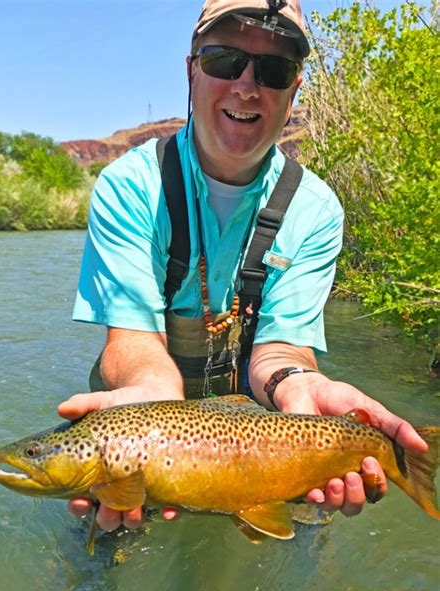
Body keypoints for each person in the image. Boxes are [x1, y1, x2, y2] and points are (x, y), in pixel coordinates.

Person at [58, 0, 427, 533]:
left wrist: (301, 385)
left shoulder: (316, 210)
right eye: (226, 60)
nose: (247, 87)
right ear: (191, 70)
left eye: (272, 71)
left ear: (293, 89)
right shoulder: (128, 187)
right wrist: (146, 410)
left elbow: (280, 349)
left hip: (256, 430)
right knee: (102, 552)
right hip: (148, 426)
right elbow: (133, 339)